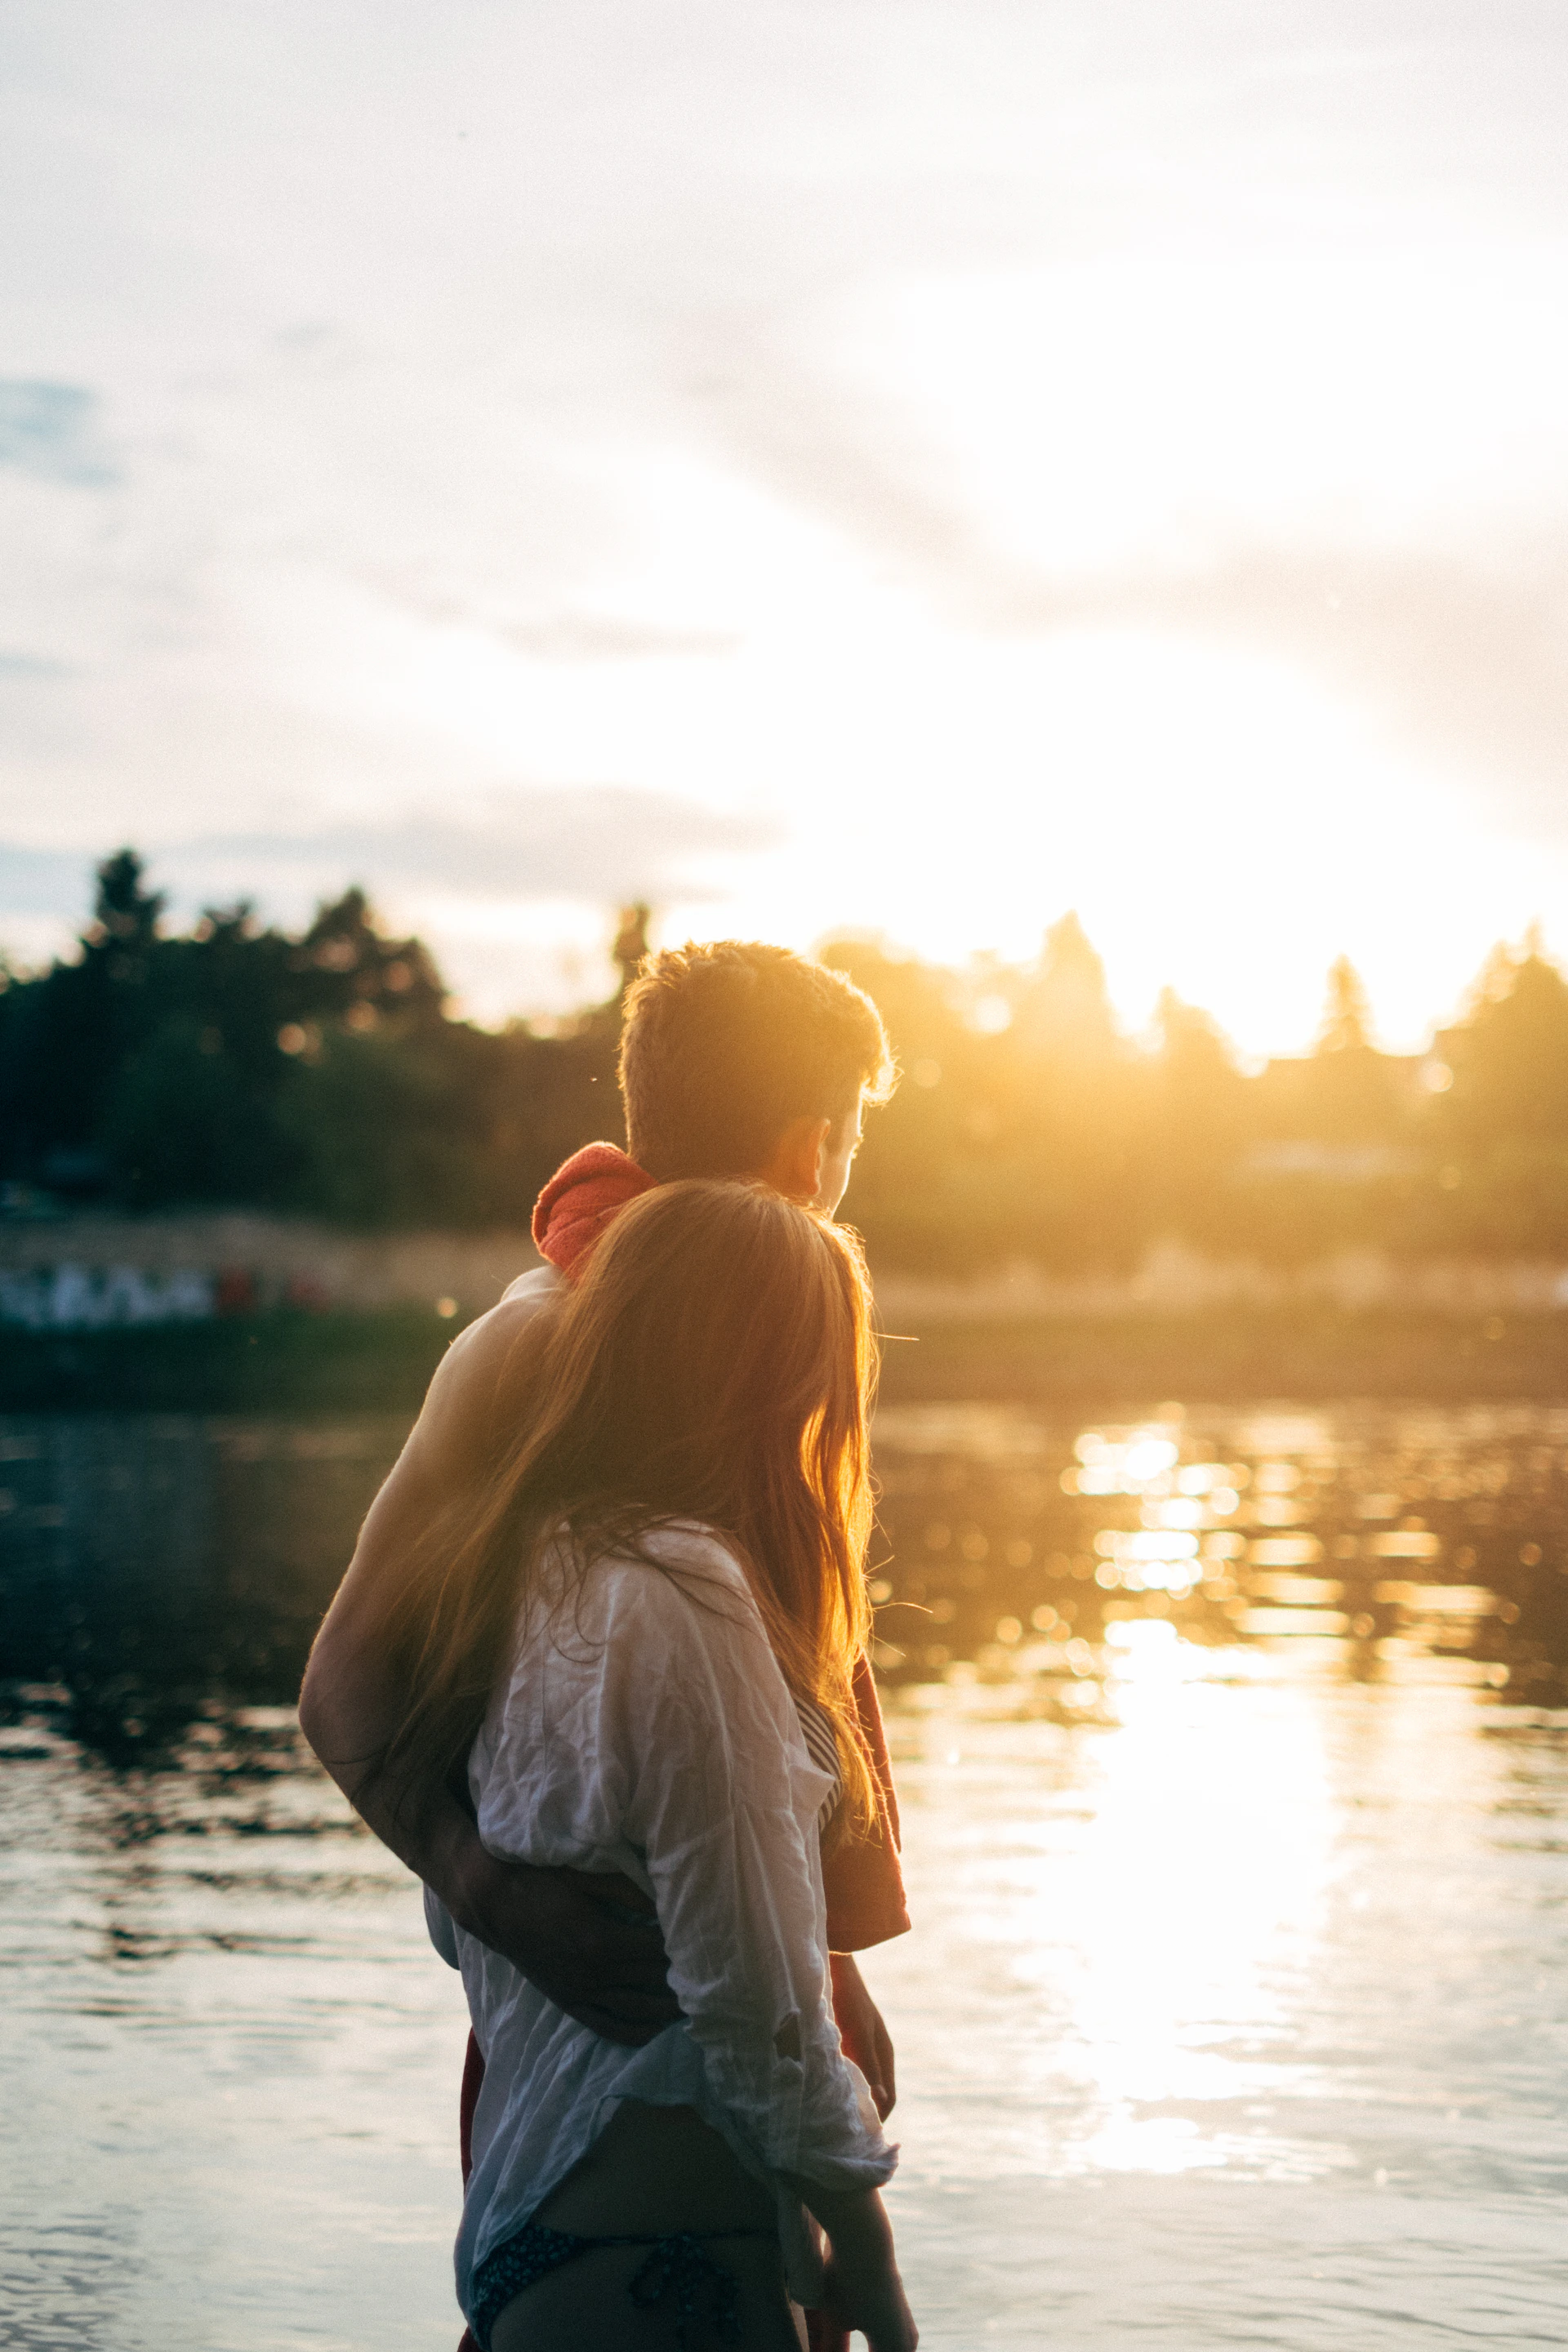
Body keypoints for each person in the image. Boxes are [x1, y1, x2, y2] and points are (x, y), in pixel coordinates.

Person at [297, 943, 911, 2336]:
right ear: (812, 1151)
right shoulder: (535, 1347)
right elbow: (343, 1690)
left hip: (720, 2080)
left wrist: (828, 1967)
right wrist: (487, 1885)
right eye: (857, 1139)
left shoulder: (721, 1368)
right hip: (607, 2088)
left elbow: (729, 1757)